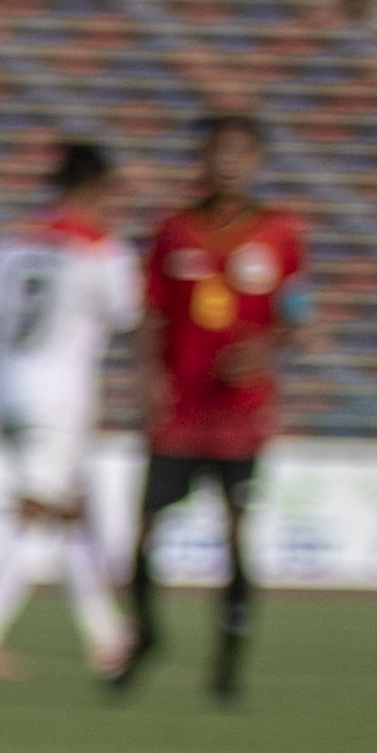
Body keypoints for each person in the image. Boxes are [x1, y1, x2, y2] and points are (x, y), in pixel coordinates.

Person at [118, 110, 306, 702]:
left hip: (240, 414)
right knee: (144, 531)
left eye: (241, 153)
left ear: (257, 162)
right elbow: (150, 312)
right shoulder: (173, 230)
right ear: (202, 160)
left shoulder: (280, 233)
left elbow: (296, 318)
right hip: (179, 408)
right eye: (218, 151)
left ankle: (228, 666)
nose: (229, 162)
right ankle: (146, 632)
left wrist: (264, 349)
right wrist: (149, 376)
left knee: (234, 533)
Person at [0, 136, 143, 681]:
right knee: (34, 512)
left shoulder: (12, 242)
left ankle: (109, 638)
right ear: (96, 189)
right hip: (58, 397)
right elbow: (133, 322)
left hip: (5, 386)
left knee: (69, 510)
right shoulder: (103, 250)